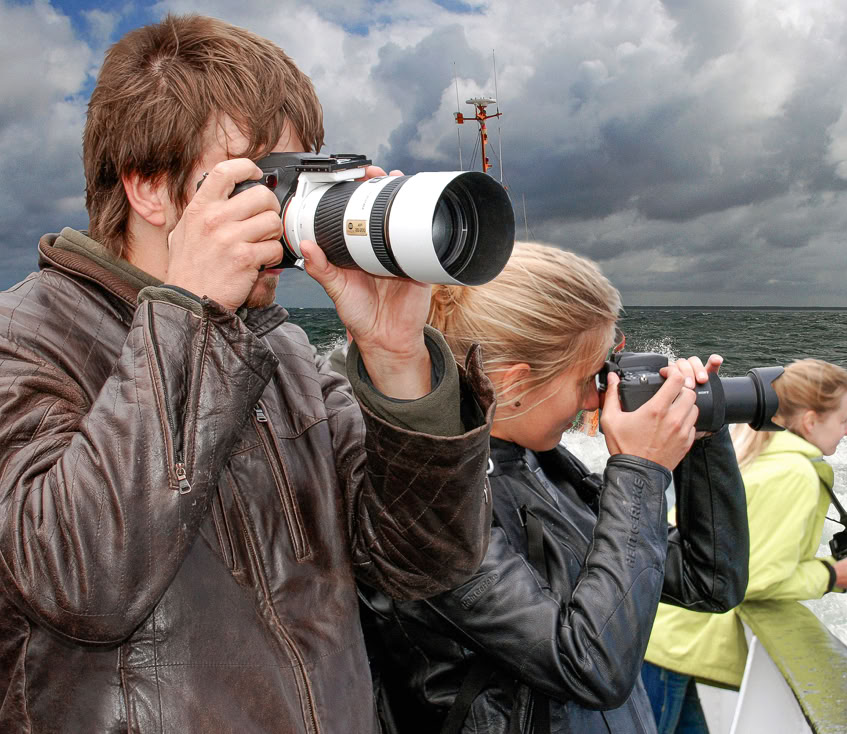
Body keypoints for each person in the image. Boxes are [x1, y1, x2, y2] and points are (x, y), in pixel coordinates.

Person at [0, 15, 495, 732]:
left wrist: (397, 359)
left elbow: (426, 563)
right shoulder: (24, 339)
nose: (283, 208)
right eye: (264, 178)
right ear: (147, 186)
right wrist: (189, 318)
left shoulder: (280, 347)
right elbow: (80, 584)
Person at [358, 242, 751, 733]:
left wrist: (701, 438)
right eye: (589, 377)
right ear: (514, 384)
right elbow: (590, 665)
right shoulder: (425, 505)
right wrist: (640, 469)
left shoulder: (538, 464)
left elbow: (708, 581)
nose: (596, 398)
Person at [642, 359, 847, 733]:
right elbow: (750, 580)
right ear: (811, 421)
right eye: (845, 419)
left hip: (668, 641)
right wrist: (833, 574)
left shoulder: (753, 451)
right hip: (676, 649)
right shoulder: (793, 474)